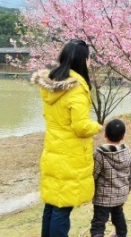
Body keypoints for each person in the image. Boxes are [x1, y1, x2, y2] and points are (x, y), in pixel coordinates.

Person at [30, 39, 103, 237]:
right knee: (62, 209)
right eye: (89, 59)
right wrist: (97, 126)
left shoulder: (52, 84)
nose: (90, 62)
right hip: (70, 156)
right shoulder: (76, 88)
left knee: (52, 205)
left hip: (53, 150)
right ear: (83, 60)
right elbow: (80, 127)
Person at [90, 119, 131, 237]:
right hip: (120, 195)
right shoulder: (127, 152)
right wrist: (126, 190)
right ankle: (121, 234)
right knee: (118, 217)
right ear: (123, 136)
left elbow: (93, 174)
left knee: (98, 223)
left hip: (103, 197)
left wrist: (90, 192)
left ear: (105, 134)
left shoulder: (99, 154)